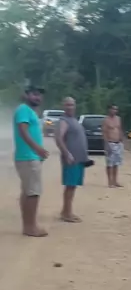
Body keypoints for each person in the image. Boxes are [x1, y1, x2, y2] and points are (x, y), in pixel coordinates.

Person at [13, 85, 49, 237]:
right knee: (33, 193)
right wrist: (37, 149)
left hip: (29, 156)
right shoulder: (23, 109)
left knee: (27, 192)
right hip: (28, 157)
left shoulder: (30, 112)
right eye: (34, 94)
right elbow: (23, 131)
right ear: (26, 94)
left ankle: (27, 225)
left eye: (39, 95)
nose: (37, 97)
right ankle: (31, 227)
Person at [55, 96, 89, 222]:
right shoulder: (64, 121)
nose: (70, 107)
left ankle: (66, 211)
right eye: (67, 105)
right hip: (71, 159)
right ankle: (67, 214)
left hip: (79, 159)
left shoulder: (74, 120)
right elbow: (58, 138)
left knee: (73, 186)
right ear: (63, 106)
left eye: (72, 104)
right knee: (70, 186)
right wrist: (67, 154)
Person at [102, 104, 124, 187]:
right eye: (113, 109)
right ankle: (110, 181)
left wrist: (121, 139)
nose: (114, 111)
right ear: (109, 110)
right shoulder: (106, 120)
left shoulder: (118, 119)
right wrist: (106, 144)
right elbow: (104, 132)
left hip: (118, 143)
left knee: (116, 163)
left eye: (116, 109)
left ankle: (115, 181)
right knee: (109, 163)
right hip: (110, 143)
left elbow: (120, 129)